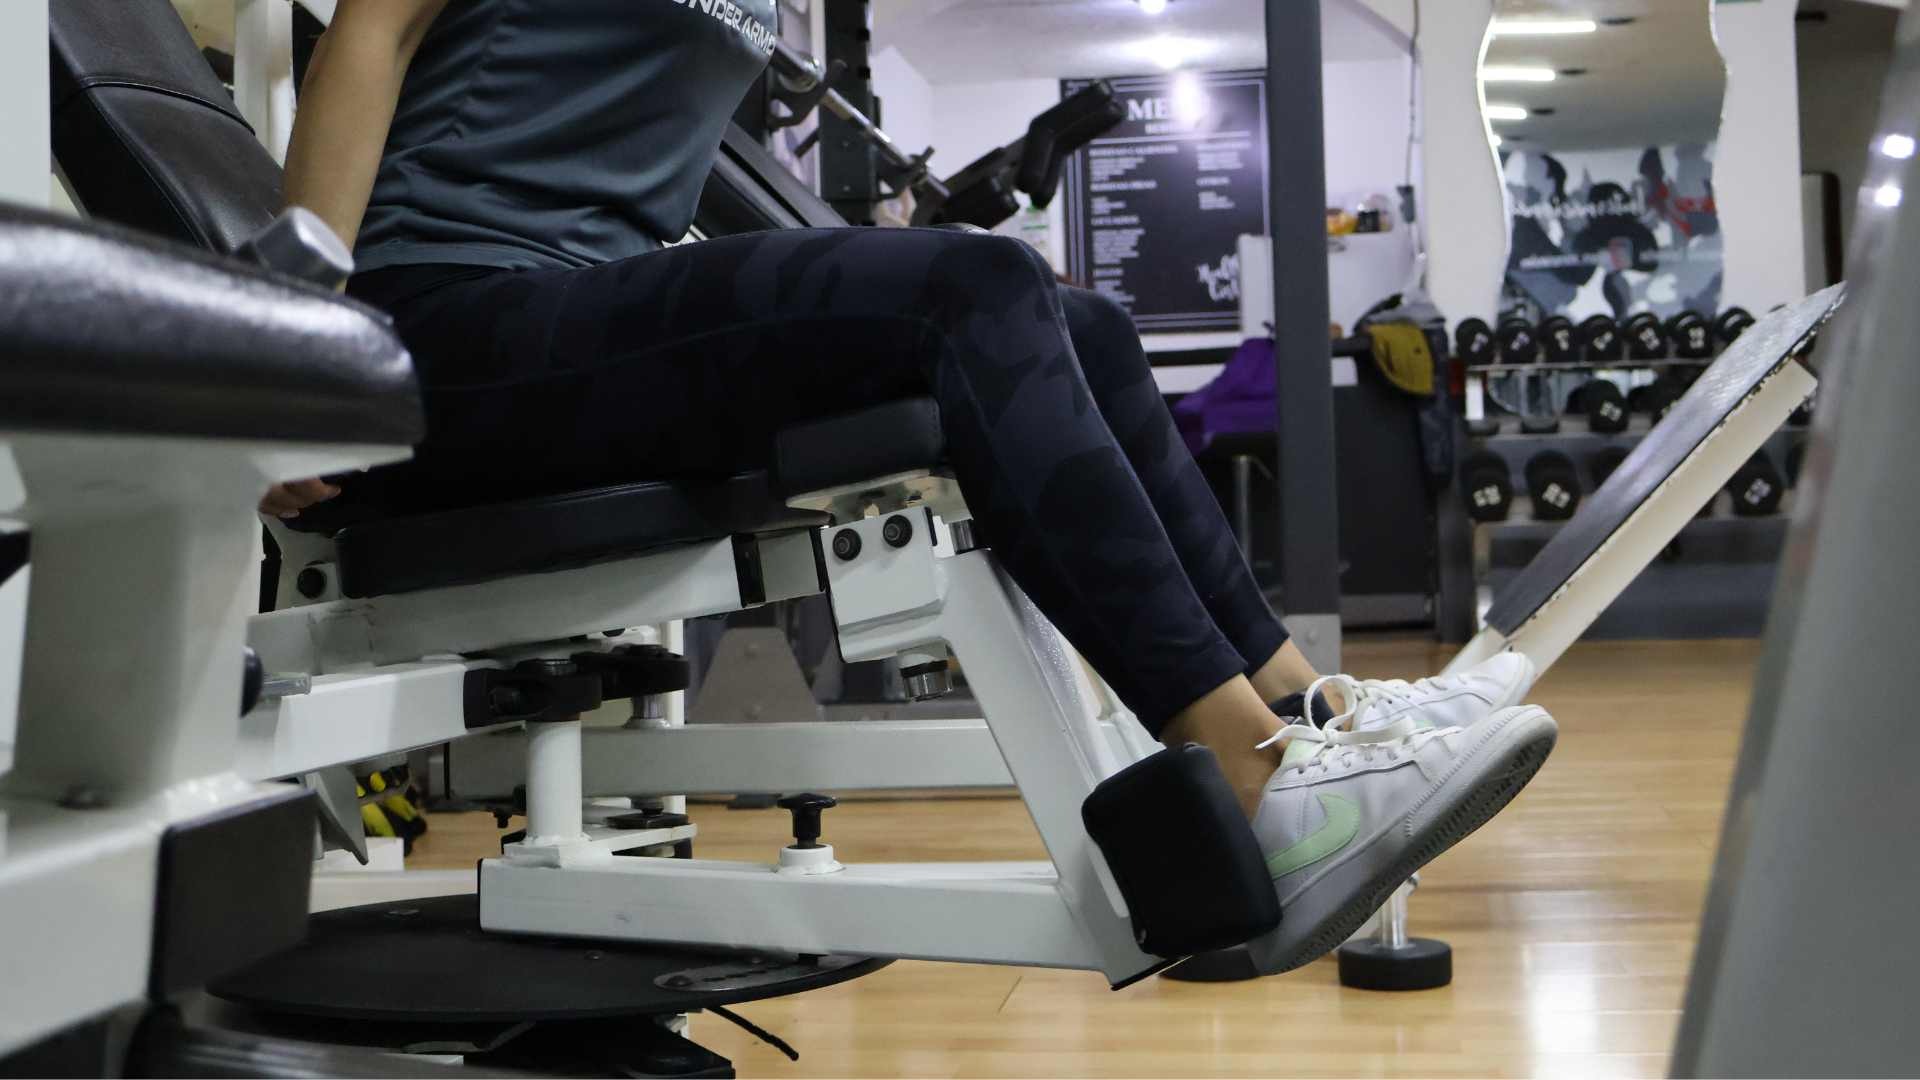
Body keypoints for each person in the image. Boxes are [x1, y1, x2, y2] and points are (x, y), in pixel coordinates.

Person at [268, 0, 1557, 975]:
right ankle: (1251, 778)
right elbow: (369, 32)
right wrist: (298, 347)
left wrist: (851, 299)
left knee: (1083, 328)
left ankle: (1305, 712)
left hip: (575, 303)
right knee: (974, 290)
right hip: (440, 319)